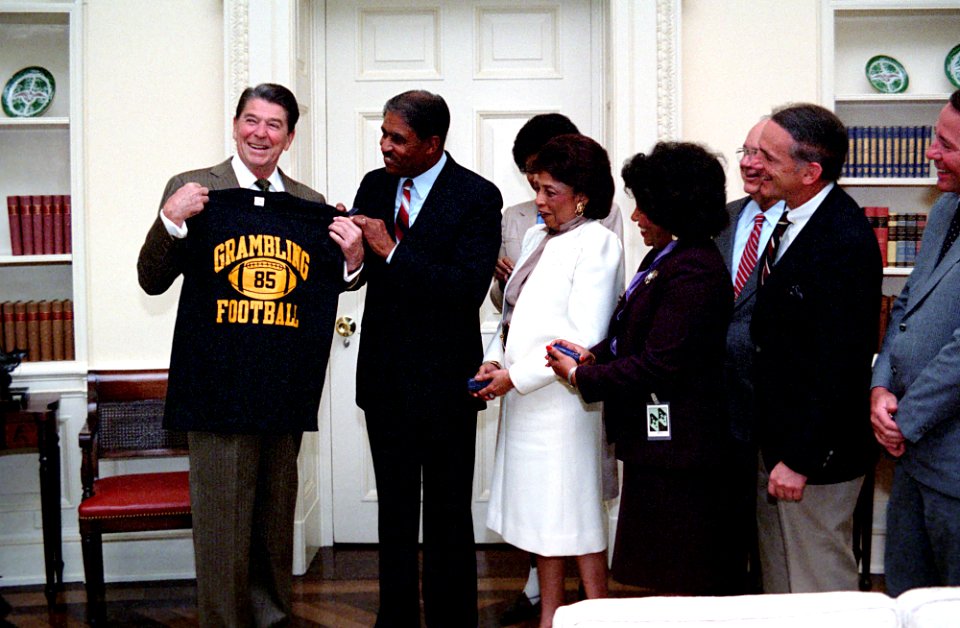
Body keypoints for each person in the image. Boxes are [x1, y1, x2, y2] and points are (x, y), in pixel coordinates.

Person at [137, 83, 363, 626]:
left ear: (289, 138)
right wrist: (171, 220)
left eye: (274, 125)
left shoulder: (307, 205)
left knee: (272, 521)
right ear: (235, 124)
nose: (260, 133)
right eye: (251, 121)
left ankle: (272, 619)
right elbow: (151, 280)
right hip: (214, 389)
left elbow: (331, 281)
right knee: (221, 526)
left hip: (283, 389)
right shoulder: (194, 190)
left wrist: (354, 260)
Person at [548, 141, 738, 595]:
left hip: (682, 454)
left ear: (674, 206)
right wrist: (597, 354)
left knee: (680, 578)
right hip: (658, 449)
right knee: (659, 576)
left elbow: (661, 363)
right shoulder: (668, 257)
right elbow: (634, 332)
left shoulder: (695, 269)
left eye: (644, 208)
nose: (635, 218)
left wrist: (582, 376)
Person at [349, 90, 502, 627]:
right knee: (393, 513)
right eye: (383, 134)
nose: (385, 147)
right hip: (384, 380)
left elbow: (464, 290)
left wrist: (391, 248)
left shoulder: (478, 197)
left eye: (398, 139)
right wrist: (351, 258)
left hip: (445, 386)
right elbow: (359, 274)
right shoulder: (374, 184)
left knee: (446, 514)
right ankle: (394, 619)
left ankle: (452, 619)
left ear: (432, 143)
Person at [473, 134, 623, 628]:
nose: (538, 201)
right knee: (544, 525)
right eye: (536, 188)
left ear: (582, 194)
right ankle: (552, 614)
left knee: (575, 520)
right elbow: (511, 317)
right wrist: (495, 362)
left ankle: (599, 616)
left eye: (550, 191)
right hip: (525, 401)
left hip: (563, 406)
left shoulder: (599, 243)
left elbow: (582, 336)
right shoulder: (539, 237)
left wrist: (515, 377)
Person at [751, 103, 881, 593]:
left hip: (815, 459)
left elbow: (841, 365)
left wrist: (801, 458)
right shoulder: (788, 218)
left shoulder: (843, 239)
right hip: (778, 444)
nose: (755, 164)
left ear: (811, 172)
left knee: (821, 590)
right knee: (783, 591)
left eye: (769, 156)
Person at [870, 89, 960, 596]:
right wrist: (879, 385)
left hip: (948, 461)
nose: (931, 153)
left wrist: (904, 419)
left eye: (946, 144)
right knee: (906, 598)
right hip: (911, 458)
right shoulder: (947, 209)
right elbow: (906, 306)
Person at [714, 118, 786, 593]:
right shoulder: (721, 218)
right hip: (715, 411)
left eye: (762, 155)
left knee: (776, 552)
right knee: (720, 542)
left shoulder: (805, 229)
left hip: (774, 411)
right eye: (745, 150)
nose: (748, 162)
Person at [491, 113, 623, 311]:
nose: (535, 178)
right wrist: (504, 281)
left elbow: (610, 293)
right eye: (529, 169)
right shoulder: (514, 217)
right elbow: (501, 303)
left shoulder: (604, 215)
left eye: (542, 167)